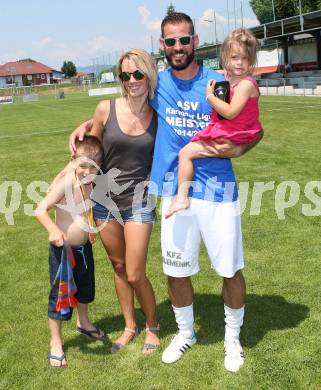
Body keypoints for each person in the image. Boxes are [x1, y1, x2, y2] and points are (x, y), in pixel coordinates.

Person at [70, 13, 263, 371]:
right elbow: (127, 102)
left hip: (218, 190)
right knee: (177, 271)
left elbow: (253, 125)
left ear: (194, 40)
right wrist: (84, 128)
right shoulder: (158, 87)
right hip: (175, 193)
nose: (178, 47)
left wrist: (242, 148)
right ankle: (185, 332)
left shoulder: (220, 83)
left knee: (230, 269)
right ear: (163, 45)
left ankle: (232, 339)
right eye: (171, 42)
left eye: (184, 40)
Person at [71, 49, 160, 354]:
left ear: (148, 74)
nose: (132, 80)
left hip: (139, 200)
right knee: (119, 267)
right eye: (126, 75)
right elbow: (90, 154)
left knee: (135, 271)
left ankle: (153, 327)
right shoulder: (105, 109)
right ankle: (129, 327)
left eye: (138, 74)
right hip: (103, 200)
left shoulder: (159, 113)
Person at [165, 28, 262, 218]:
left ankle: (182, 197)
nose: (240, 63)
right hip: (230, 131)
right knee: (188, 153)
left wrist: (209, 96)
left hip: (231, 133)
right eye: (235, 57)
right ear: (226, 58)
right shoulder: (234, 82)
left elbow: (231, 112)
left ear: (251, 60)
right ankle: (184, 196)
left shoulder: (246, 85)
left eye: (244, 58)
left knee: (185, 153)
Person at [35, 135, 105, 368]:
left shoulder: (93, 182)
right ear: (73, 161)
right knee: (61, 297)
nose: (87, 171)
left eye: (92, 166)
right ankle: (56, 342)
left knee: (85, 289)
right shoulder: (66, 182)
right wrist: (53, 230)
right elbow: (40, 209)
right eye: (82, 165)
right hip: (62, 251)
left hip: (84, 249)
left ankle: (83, 322)